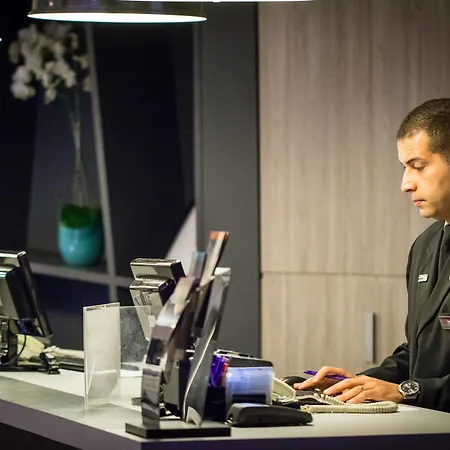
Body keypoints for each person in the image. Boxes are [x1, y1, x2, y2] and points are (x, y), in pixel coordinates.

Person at [295, 98, 450, 413]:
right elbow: (417, 354)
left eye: (419, 166)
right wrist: (358, 383)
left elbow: (415, 384)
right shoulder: (425, 245)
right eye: (404, 168)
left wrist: (408, 391)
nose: (406, 184)